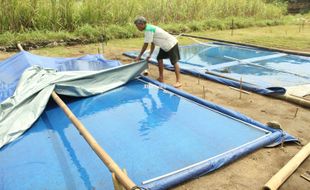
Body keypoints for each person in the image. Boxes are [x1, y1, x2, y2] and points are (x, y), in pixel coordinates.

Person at [134, 16, 182, 88]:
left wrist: (139, 56)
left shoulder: (149, 29)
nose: (137, 28)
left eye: (137, 26)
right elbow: (152, 43)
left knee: (174, 62)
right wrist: (150, 54)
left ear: (142, 24)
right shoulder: (148, 28)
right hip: (164, 45)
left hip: (171, 44)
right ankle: (161, 77)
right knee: (159, 58)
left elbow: (146, 44)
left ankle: (178, 81)